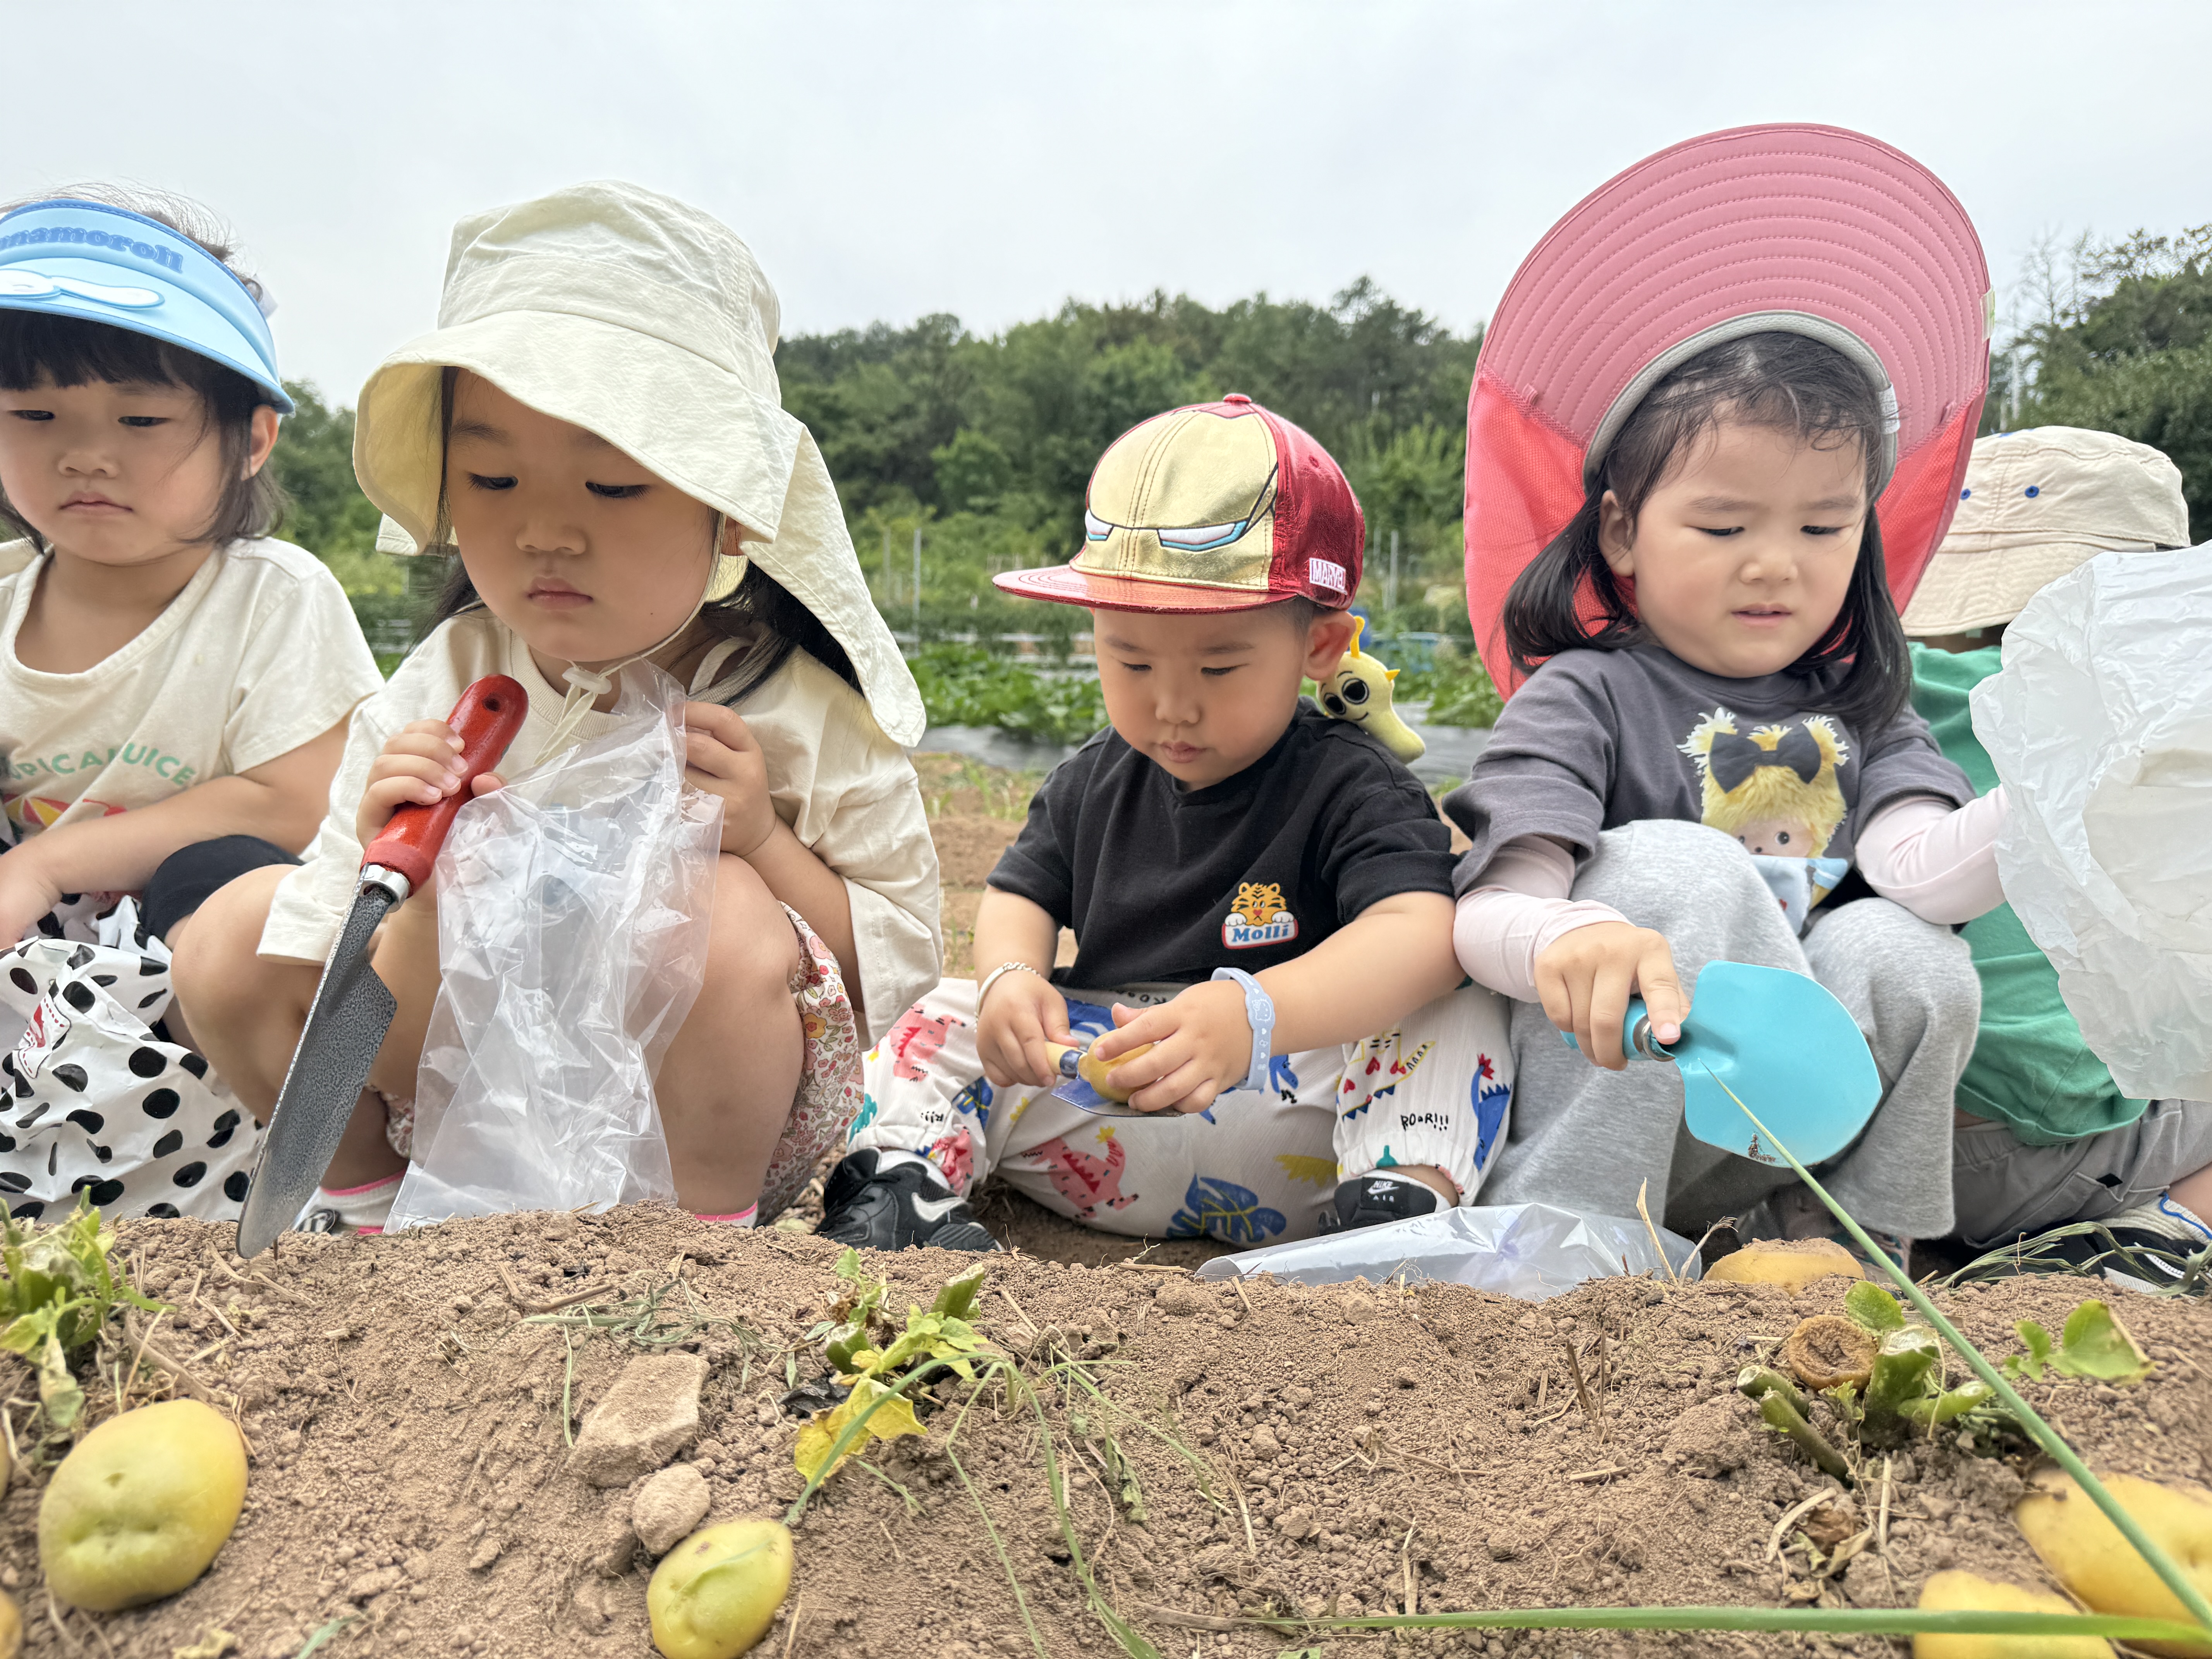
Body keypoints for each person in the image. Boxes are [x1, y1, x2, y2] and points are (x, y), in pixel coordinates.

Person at [172, 183, 940, 1233]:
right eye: (493, 479)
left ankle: (698, 1247)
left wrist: (763, 840)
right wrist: (393, 851)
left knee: (714, 908)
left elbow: (892, 967)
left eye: (612, 488)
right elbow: (343, 936)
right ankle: (368, 1205)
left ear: (731, 514)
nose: (544, 533)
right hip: (460, 1084)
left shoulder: (797, 711)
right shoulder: (450, 675)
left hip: (686, 1114)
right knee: (229, 939)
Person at [1446, 125, 2010, 1270]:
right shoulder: (1586, 697)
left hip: (1770, 1121)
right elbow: (1491, 904)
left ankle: (1849, 1244)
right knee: (1682, 869)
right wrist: (1568, 934)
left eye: (1823, 527)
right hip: (1621, 1068)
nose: (1775, 564)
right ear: (1621, 531)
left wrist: (2070, 797)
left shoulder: (1865, 705)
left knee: (1914, 952)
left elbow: (1919, 872)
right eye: (1722, 525)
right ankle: (1571, 1236)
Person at [822, 395, 1513, 1251]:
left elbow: (1421, 932)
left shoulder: (1352, 784)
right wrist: (1012, 979)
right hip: (1105, 1112)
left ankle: (1395, 1207)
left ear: (1320, 647)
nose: (1172, 705)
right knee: (939, 1006)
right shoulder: (1091, 780)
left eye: (1220, 668)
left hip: (1297, 1114)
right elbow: (1018, 895)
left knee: (1455, 996)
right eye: (1132, 661)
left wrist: (1254, 1016)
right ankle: (902, 1185)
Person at [0, 188, 379, 1219]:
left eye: (141, 419)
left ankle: (327, 1188)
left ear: (251, 439)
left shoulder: (271, 596)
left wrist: (49, 863)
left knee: (219, 875)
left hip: (194, 965)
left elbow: (296, 800)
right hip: (28, 962)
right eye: (34, 415)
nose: (86, 454)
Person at [1903, 426, 2212, 1258]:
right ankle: (2173, 1229)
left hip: (1882, 1153)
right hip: (2057, 1148)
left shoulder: (1864, 701)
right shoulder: (2154, 711)